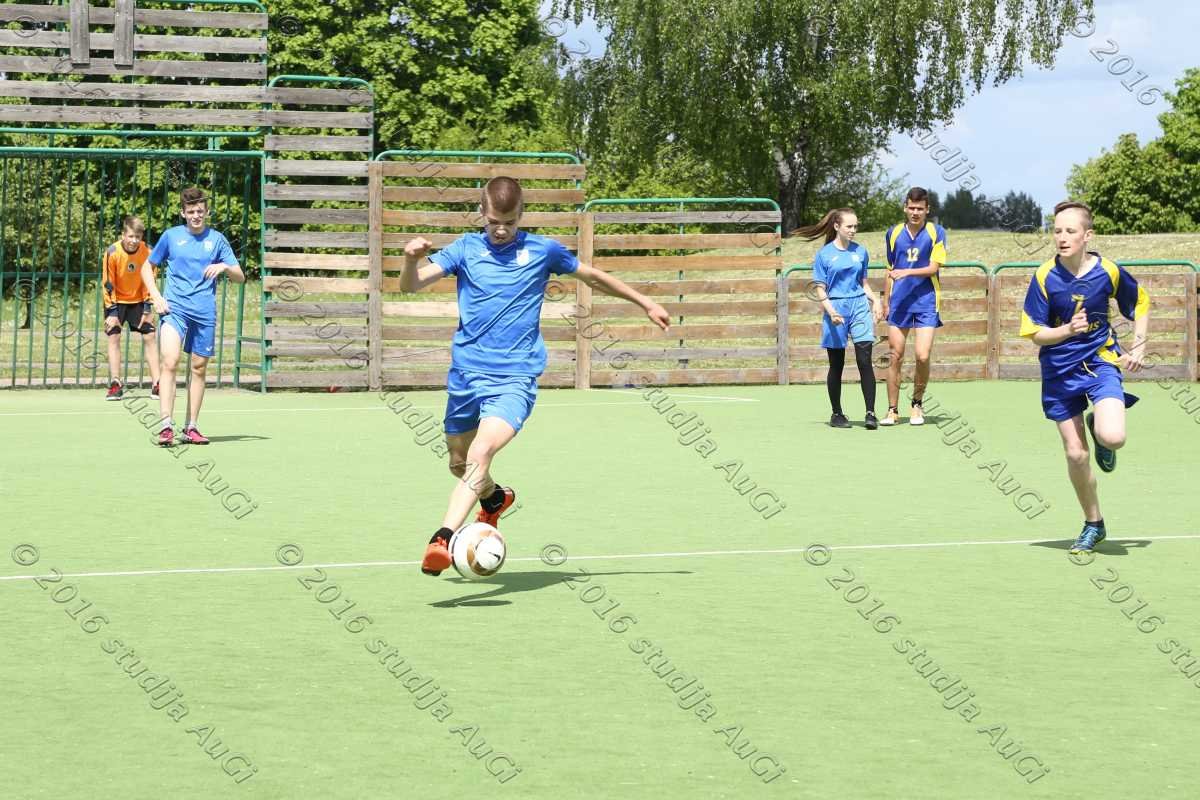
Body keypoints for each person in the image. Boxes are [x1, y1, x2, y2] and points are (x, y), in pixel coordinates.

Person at [401, 176, 671, 576]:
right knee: (459, 464)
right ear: (481, 212)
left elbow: (593, 277)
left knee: (480, 454)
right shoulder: (465, 249)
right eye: (494, 221)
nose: (501, 229)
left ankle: (441, 539)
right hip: (465, 376)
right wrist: (410, 260)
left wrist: (644, 301)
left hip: (515, 378)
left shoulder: (542, 250)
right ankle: (494, 499)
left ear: (521, 214)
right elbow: (411, 286)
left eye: (509, 222)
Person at [1019, 201, 1149, 554]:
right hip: (1059, 370)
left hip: (1100, 361)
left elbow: (1140, 303)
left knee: (1114, 437)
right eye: (1057, 231)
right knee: (1076, 455)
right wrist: (1066, 331)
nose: (1062, 237)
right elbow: (1034, 333)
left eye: (1070, 231)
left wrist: (1138, 346)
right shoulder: (1045, 276)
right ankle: (1094, 523)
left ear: (1087, 235)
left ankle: (1099, 429)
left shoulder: (1108, 271)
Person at [142, 187, 244, 446]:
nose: (196, 216)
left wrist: (224, 266)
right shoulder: (171, 236)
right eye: (191, 212)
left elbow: (240, 277)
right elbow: (147, 267)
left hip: (204, 313)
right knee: (170, 361)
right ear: (183, 213)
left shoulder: (217, 240)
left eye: (200, 211)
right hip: (174, 310)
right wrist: (156, 296)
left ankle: (191, 427)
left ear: (207, 212)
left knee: (198, 368)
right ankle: (166, 425)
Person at [795, 208, 883, 429]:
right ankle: (837, 414)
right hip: (835, 308)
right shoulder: (824, 255)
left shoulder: (860, 252)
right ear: (836, 227)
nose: (853, 230)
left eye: (855, 226)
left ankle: (870, 413)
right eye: (849, 226)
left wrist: (876, 301)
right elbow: (820, 289)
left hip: (859, 307)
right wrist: (831, 311)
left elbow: (863, 283)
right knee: (837, 364)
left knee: (865, 361)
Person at [881, 187, 947, 426]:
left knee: (922, 355)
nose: (915, 212)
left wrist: (907, 272)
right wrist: (885, 301)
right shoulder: (893, 233)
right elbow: (890, 270)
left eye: (920, 208)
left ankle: (917, 404)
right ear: (905, 208)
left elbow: (933, 268)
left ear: (927, 210)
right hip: (899, 303)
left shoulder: (936, 232)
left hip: (926, 302)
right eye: (911, 208)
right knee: (895, 356)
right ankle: (892, 410)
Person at [101, 216, 160, 401]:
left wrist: (148, 308)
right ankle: (115, 384)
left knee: (150, 337)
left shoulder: (149, 251)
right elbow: (108, 283)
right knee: (114, 337)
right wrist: (112, 312)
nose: (134, 241)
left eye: (138, 237)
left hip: (140, 301)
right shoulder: (112, 252)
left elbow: (151, 280)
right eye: (131, 236)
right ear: (123, 235)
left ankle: (158, 384)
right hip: (116, 302)